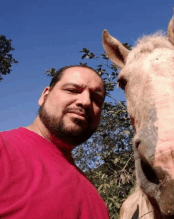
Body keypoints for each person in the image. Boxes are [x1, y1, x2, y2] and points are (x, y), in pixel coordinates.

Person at [0, 65, 109, 219]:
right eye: (72, 90)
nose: (85, 101)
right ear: (45, 95)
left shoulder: (96, 201)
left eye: (96, 99)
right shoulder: (3, 149)